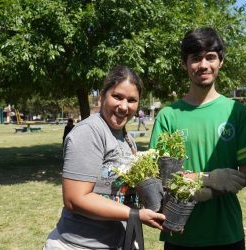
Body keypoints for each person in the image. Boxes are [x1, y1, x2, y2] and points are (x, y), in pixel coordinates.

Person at [149, 27, 246, 249]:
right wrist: (205, 178)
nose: (203, 65)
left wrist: (210, 192)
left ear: (220, 61)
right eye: (195, 58)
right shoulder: (168, 116)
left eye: (210, 57)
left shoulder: (237, 113)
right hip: (179, 235)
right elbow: (160, 178)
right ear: (184, 64)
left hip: (226, 234)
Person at [44, 66, 165, 249]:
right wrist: (135, 215)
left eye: (132, 100)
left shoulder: (127, 139)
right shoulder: (89, 132)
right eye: (117, 96)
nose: (124, 106)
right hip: (79, 245)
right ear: (102, 96)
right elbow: (74, 199)